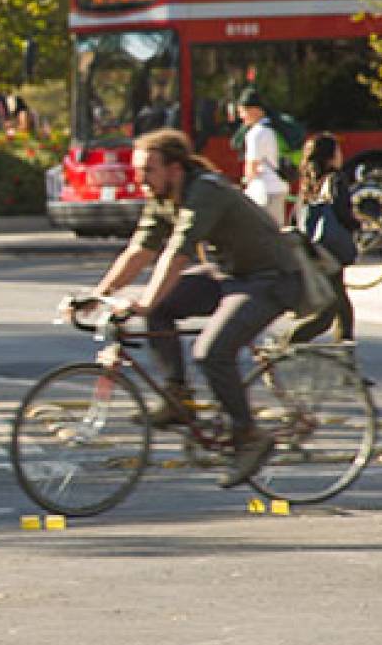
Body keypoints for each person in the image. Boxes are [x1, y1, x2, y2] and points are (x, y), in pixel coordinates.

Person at [85, 128, 300, 487]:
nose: (141, 181)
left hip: (270, 278)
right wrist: (98, 294)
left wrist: (146, 299)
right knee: (161, 308)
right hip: (231, 274)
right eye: (138, 172)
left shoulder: (205, 191)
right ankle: (177, 397)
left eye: (147, 171)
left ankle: (249, 435)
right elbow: (141, 249)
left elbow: (178, 252)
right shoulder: (163, 195)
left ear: (174, 168)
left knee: (210, 351)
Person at [288, 133, 358, 346]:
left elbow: (294, 218)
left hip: (314, 252)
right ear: (330, 156)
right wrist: (356, 225)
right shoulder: (336, 179)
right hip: (331, 254)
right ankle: (285, 348)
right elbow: (342, 213)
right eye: (337, 151)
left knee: (342, 309)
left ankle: (347, 370)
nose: (341, 155)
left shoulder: (307, 185)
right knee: (328, 314)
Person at [239, 87, 290, 225]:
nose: (241, 116)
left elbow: (252, 168)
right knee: (277, 234)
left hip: (264, 193)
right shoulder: (272, 129)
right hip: (279, 187)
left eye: (242, 111)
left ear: (254, 110)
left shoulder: (256, 133)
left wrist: (246, 187)